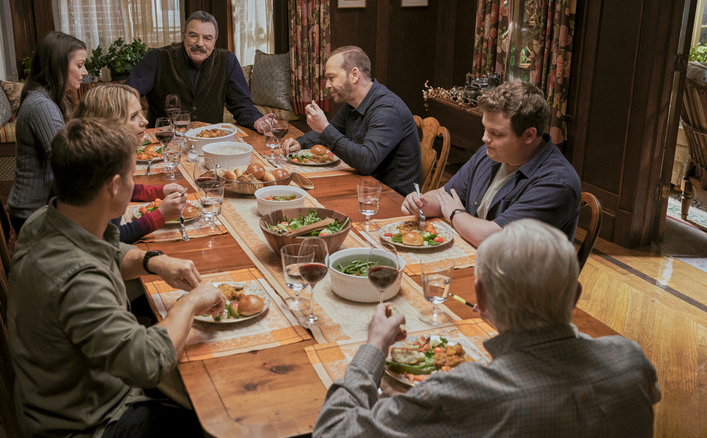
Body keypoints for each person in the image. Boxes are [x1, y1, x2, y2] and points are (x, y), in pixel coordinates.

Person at [313, 219, 660, 437]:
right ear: (576, 296)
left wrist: (374, 346)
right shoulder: (632, 361)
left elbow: (332, 430)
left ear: (480, 295)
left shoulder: (462, 392)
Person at [7, 118, 226, 437]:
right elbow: (148, 363)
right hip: (89, 421)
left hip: (54, 395)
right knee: (218, 415)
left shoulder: (47, 218)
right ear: (113, 186)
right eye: (131, 174)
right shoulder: (79, 280)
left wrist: (154, 262)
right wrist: (191, 302)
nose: (133, 182)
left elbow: (107, 250)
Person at [401, 81, 581, 247]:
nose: (485, 138)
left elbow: (492, 238)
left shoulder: (557, 183)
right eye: (485, 128)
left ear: (529, 135)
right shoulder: (489, 154)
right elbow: (444, 197)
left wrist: (456, 214)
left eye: (496, 133)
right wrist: (422, 203)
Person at [281, 46, 421, 196]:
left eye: (332, 77)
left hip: (392, 197)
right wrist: (300, 142)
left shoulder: (387, 109)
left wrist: (324, 128)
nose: (327, 85)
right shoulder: (353, 103)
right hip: (363, 184)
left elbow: (366, 162)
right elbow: (332, 129)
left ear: (354, 75)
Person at [74, 84, 188, 243]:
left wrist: (159, 191)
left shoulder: (104, 156)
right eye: (133, 116)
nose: (145, 121)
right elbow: (109, 239)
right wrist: (160, 215)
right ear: (109, 123)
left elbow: (118, 189)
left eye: (141, 113)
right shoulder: (94, 171)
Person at [126, 10, 274, 132]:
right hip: (165, 140)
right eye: (193, 36)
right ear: (184, 36)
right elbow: (127, 95)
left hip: (210, 140)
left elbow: (241, 103)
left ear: (215, 40)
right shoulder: (157, 58)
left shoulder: (227, 60)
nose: (200, 43)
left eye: (207, 38)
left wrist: (256, 120)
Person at [7, 31, 88, 233]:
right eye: (79, 65)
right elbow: (66, 159)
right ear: (59, 66)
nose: (84, 71)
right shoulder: (42, 105)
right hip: (33, 214)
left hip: (38, 207)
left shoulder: (47, 98)